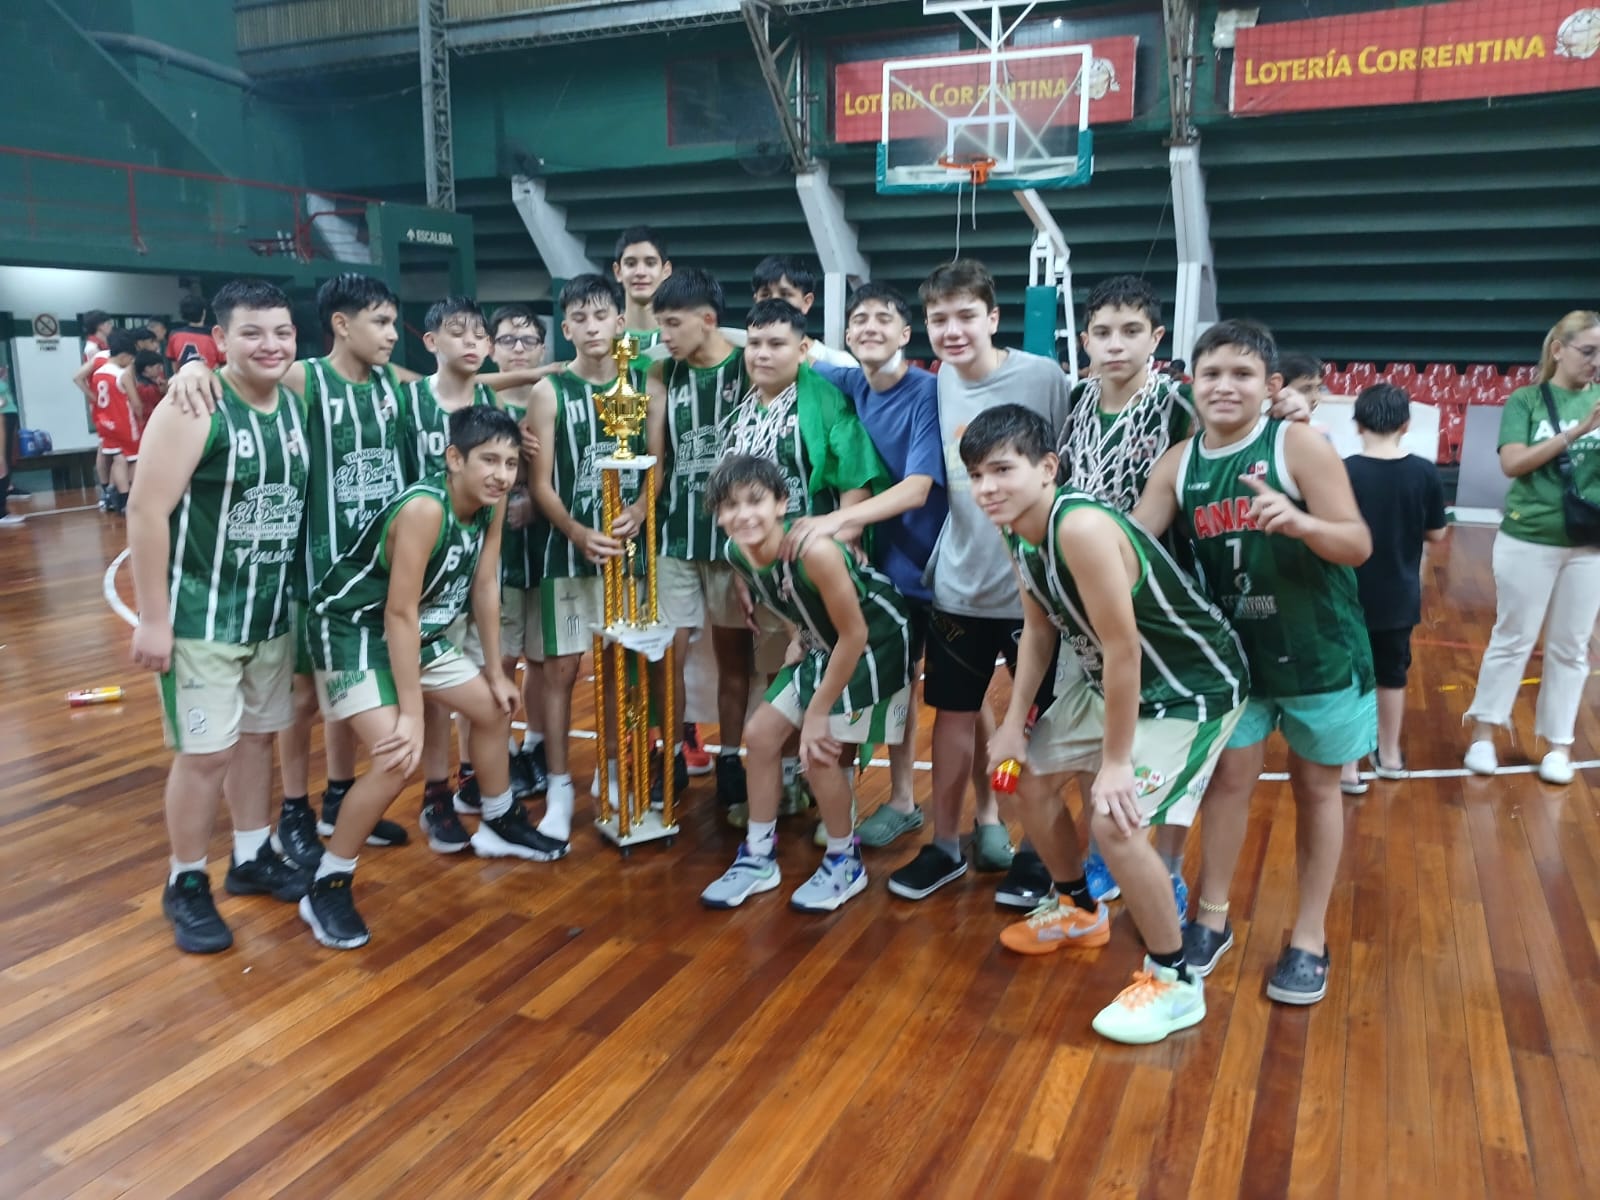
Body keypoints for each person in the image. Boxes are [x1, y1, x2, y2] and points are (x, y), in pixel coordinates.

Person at [967, 406, 1247, 1043]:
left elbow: (1126, 650)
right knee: (1027, 778)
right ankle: (1078, 911)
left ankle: (1175, 981)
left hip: (1187, 691)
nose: (988, 487)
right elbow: (1038, 629)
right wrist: (1013, 725)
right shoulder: (1014, 528)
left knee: (1114, 823)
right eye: (978, 474)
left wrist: (1115, 765)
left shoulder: (1082, 528)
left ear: (1047, 469)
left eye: (1003, 470)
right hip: (1112, 683)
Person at [1134, 319, 1374, 1005]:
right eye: (1211, 374)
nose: (1224, 386)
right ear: (1193, 384)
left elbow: (1356, 543)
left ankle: (1308, 935)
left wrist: (1301, 523)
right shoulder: (1178, 462)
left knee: (1317, 789)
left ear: (1271, 386)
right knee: (1228, 781)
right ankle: (1211, 915)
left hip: (1320, 654)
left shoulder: (1297, 444)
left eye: (1242, 374)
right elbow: (1134, 539)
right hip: (1235, 658)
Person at [302, 406, 561, 948]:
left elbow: (485, 584)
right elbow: (396, 613)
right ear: (454, 458)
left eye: (511, 463)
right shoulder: (424, 508)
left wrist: (494, 671)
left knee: (493, 709)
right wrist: (414, 713)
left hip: (414, 631)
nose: (502, 474)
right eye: (489, 460)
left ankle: (498, 818)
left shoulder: (490, 506)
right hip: (354, 633)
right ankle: (328, 881)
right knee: (398, 756)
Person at [125, 279, 312, 953]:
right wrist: (152, 618)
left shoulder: (295, 397)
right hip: (202, 616)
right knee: (206, 755)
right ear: (222, 340)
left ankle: (251, 855)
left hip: (269, 615)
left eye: (282, 332)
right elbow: (144, 510)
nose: (271, 344)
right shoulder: (194, 406)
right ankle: (185, 882)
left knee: (258, 740)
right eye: (253, 333)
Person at [920, 259, 1073, 909]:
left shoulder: (1042, 377)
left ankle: (1039, 856)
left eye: (964, 316)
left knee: (1041, 727)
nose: (952, 331)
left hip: (1035, 592)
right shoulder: (937, 383)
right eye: (937, 319)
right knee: (952, 720)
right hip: (959, 587)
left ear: (993, 317)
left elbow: (1071, 462)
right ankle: (943, 846)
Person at [699, 455, 913, 913]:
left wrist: (816, 714)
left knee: (817, 752)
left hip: (876, 640)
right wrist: (799, 633)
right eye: (730, 506)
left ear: (782, 504)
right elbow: (783, 596)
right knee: (758, 737)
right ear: (718, 515)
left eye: (755, 501)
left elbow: (854, 633)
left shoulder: (816, 551)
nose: (743, 514)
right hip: (826, 641)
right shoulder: (738, 552)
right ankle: (758, 856)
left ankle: (844, 860)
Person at [716, 298, 891, 827]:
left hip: (814, 567)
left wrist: (842, 536)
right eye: (755, 344)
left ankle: (839, 803)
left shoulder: (822, 401)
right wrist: (748, 574)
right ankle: (790, 785)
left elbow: (854, 478)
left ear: (803, 348)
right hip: (769, 568)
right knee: (783, 673)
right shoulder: (742, 407)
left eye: (776, 344)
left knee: (833, 684)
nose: (763, 354)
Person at [1055, 275, 1197, 913]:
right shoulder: (1078, 398)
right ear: (1085, 339)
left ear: (1156, 338)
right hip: (1082, 596)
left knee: (1164, 743)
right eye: (1103, 333)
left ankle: (1168, 863)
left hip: (1159, 590)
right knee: (1097, 731)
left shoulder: (1177, 405)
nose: (1116, 345)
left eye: (1131, 332)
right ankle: (1101, 851)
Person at [799, 282, 946, 870]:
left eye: (883, 319)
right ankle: (901, 796)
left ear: (906, 333)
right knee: (894, 685)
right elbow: (780, 348)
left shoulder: (928, 393)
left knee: (960, 698)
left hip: (935, 562)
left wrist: (836, 521)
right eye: (858, 320)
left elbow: (917, 489)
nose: (869, 328)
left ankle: (986, 816)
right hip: (880, 568)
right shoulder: (847, 383)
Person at [526, 274, 651, 849]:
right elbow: (541, 484)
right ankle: (558, 788)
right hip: (567, 553)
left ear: (620, 322)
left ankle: (612, 770)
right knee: (560, 670)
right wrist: (577, 531)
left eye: (603, 314)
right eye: (580, 317)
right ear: (567, 327)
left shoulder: (642, 383)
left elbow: (660, 462)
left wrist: (643, 507)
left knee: (620, 667)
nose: (593, 325)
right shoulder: (550, 392)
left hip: (627, 553)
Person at [1463, 311, 1600, 785]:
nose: (1595, 362)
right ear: (1558, 349)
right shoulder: (1526, 400)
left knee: (1572, 647)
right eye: (1588, 351)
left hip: (1589, 545)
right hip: (1529, 538)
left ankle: (1559, 744)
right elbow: (1513, 464)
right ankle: (1483, 734)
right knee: (1513, 637)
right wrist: (1578, 431)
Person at [399, 296, 501, 852]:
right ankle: (434, 792)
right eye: (455, 331)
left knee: (470, 675)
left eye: (478, 334)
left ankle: (467, 779)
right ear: (431, 340)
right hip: (416, 564)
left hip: (472, 562)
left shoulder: (494, 404)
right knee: (432, 691)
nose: (469, 342)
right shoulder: (404, 400)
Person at [645, 268, 748, 805]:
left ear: (708, 320)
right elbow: (656, 463)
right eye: (660, 326)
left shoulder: (750, 367)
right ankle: (672, 754)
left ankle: (732, 759)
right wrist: (638, 507)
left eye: (672, 325)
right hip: (675, 537)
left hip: (733, 544)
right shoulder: (663, 373)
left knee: (735, 658)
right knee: (669, 653)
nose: (664, 336)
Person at [1341, 383, 1448, 792]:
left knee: (1351, 678)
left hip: (1348, 595)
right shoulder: (1423, 471)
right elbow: (1436, 533)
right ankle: (1388, 756)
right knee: (1392, 675)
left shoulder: (1344, 469)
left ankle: (1349, 768)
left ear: (1356, 424)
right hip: (1399, 596)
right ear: (1405, 424)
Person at [485, 304, 551, 802]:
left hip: (546, 550)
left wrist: (534, 494)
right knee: (503, 657)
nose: (519, 349)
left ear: (544, 346)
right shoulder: (477, 399)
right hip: (498, 558)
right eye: (508, 340)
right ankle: (498, 750)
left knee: (543, 659)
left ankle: (536, 744)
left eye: (528, 340)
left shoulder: (551, 402)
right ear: (492, 347)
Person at [91, 329, 143, 513]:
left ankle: (121, 500)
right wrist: (141, 418)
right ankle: (132, 499)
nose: (131, 363)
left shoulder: (98, 373)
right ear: (123, 356)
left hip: (105, 423)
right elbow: (136, 403)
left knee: (118, 460)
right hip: (124, 423)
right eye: (130, 359)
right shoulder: (122, 375)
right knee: (134, 460)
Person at [613, 226, 672, 349]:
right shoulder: (603, 334)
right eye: (631, 264)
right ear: (618, 272)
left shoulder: (681, 336)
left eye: (650, 263)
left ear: (666, 271)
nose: (640, 272)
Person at [168, 295, 224, 370]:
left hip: (183, 380)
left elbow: (175, 366)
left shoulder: (175, 336)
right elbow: (222, 365)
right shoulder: (214, 335)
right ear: (204, 312)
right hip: (209, 379)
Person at [0, 366, 21, 527]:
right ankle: (1, 512)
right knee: (2, 462)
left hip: (8, 417)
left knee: (6, 461)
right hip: (4, 418)